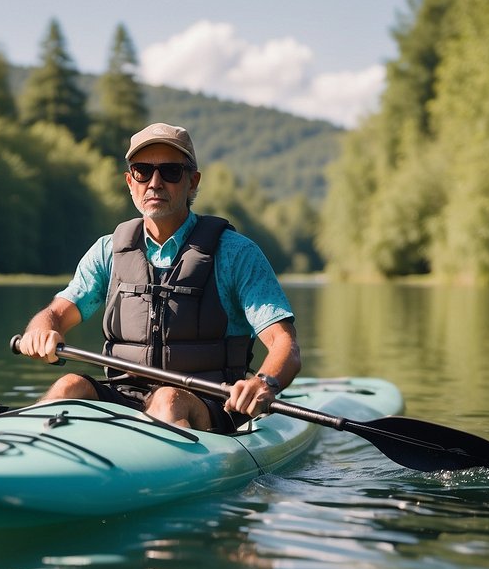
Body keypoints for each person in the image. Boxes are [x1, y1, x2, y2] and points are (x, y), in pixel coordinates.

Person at [17, 122, 301, 433]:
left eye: (170, 172)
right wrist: (42, 330)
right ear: (129, 181)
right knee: (69, 384)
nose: (154, 183)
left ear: (192, 182)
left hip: (214, 405)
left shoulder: (235, 254)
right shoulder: (107, 251)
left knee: (168, 399)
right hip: (125, 397)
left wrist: (265, 382)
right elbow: (56, 314)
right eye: (142, 171)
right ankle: (22, 449)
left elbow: (284, 344)